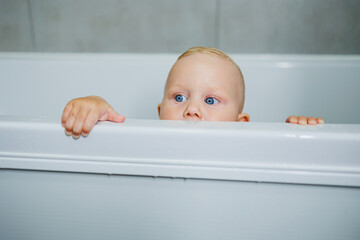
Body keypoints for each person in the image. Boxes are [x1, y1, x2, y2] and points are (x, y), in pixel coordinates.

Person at [62, 47, 324, 139]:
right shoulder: (148, 142)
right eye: (179, 98)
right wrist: (96, 108)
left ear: (240, 123)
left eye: (210, 100)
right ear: (160, 113)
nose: (192, 110)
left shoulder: (245, 147)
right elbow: (115, 144)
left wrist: (295, 133)